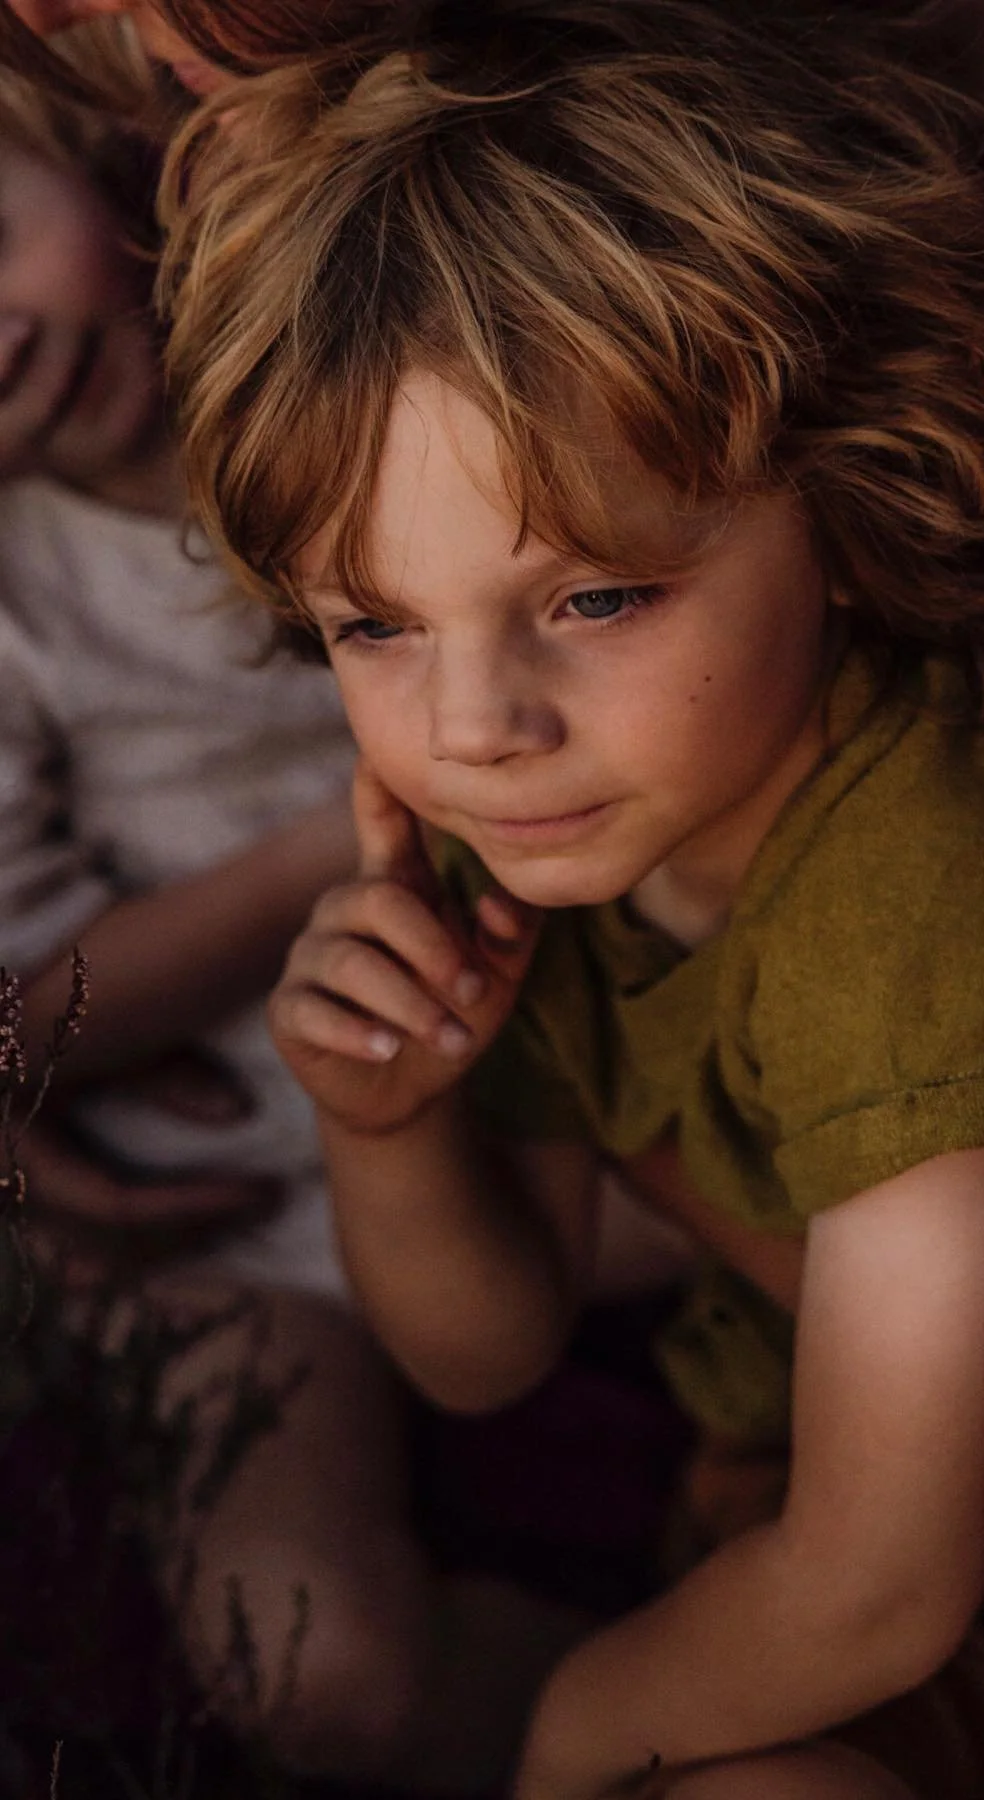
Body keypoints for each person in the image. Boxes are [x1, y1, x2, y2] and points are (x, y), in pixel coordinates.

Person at [161, 8, 984, 1797]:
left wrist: (571, 1742)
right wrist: (384, 1120)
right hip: (785, 1567)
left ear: (839, 494)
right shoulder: (528, 833)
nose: (477, 729)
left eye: (595, 598)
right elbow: (489, 1349)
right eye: (376, 626)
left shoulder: (897, 870)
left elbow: (886, 1582)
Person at [0, 63, 588, 1792]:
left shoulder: (370, 362)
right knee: (316, 1677)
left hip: (534, 1085)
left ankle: (833, 1606)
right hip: (233, 1199)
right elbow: (31, 1024)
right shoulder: (21, 602)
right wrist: (332, 837)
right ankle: (596, 1712)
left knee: (848, 1239)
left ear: (68, 146)